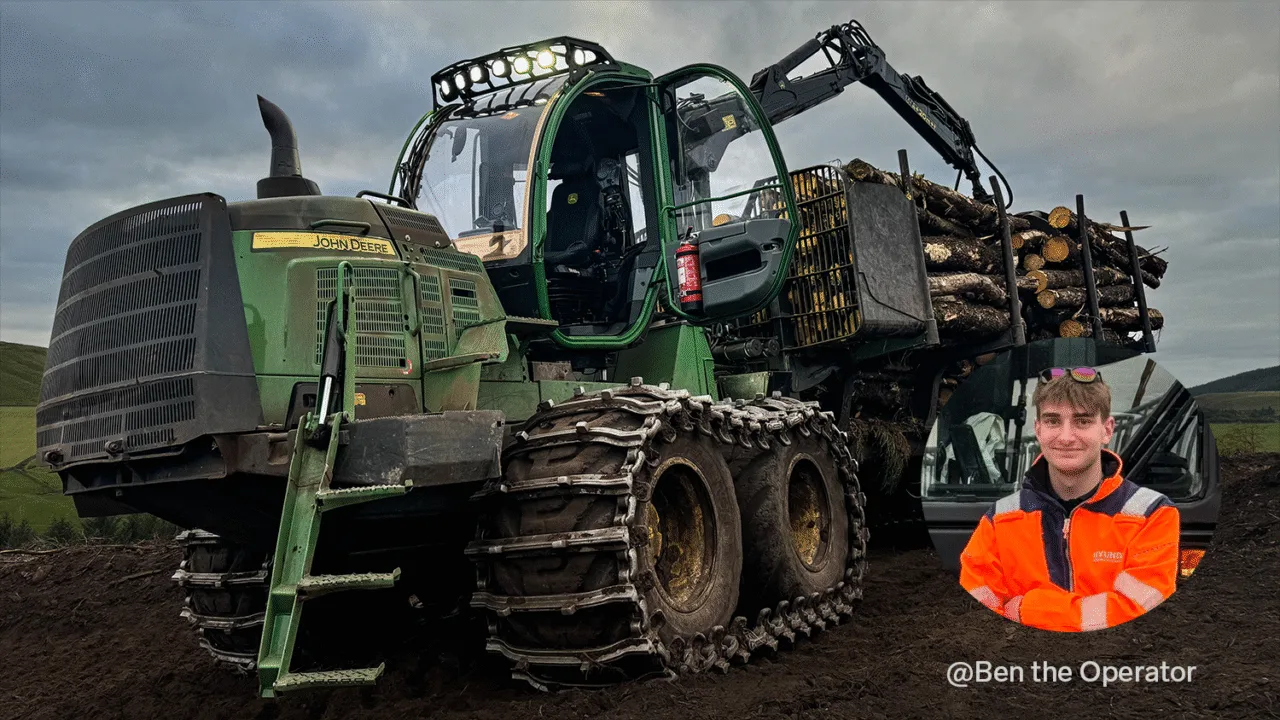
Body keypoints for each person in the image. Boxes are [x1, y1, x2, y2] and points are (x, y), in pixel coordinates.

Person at [959, 367, 1181, 632]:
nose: (1066, 437)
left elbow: (1139, 613)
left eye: (1083, 421)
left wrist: (1024, 608)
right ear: (1038, 430)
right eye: (1053, 421)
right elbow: (976, 615)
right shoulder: (999, 519)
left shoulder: (1152, 515)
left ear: (1107, 430)